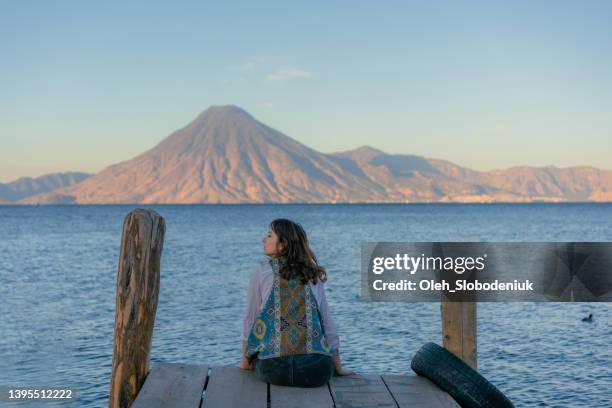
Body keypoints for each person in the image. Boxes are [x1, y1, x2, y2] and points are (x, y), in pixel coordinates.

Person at [239, 218, 355, 387]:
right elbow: (327, 322)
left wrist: (245, 362)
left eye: (269, 236)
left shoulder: (261, 270)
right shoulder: (311, 272)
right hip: (314, 371)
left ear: (283, 244)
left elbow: (251, 319)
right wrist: (338, 367)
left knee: (260, 360)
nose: (263, 239)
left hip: (275, 369)